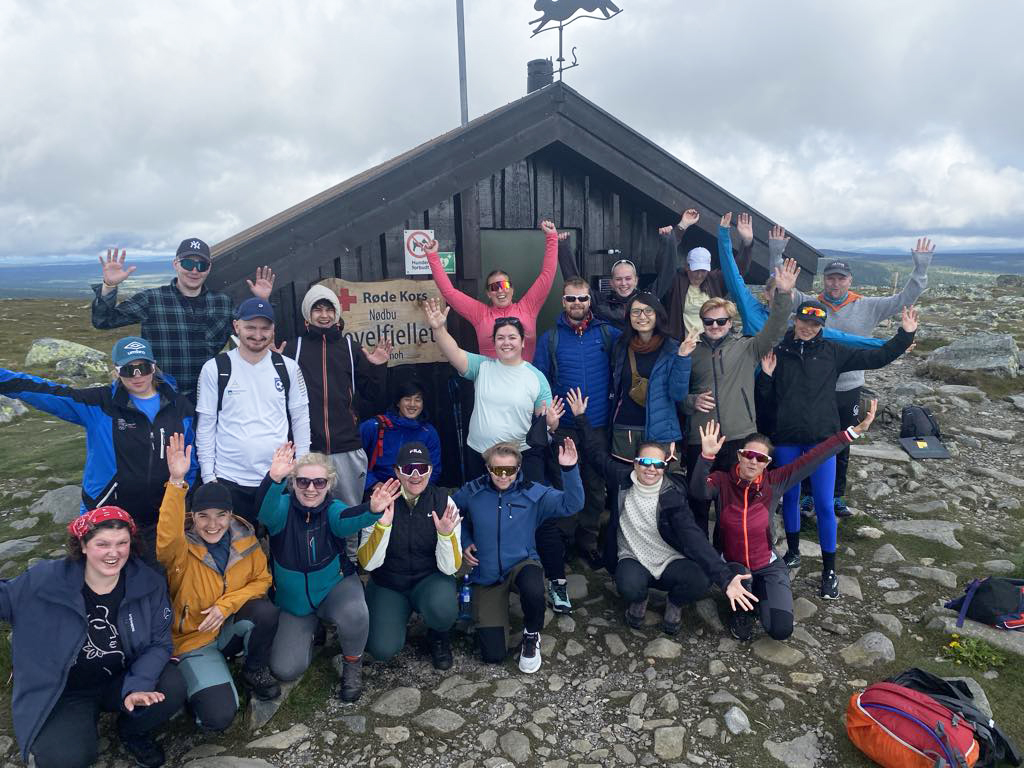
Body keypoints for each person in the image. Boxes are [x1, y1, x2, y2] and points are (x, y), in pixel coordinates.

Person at [0, 506, 186, 768]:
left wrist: (139, 684)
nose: (114, 552)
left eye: (122, 543)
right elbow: (6, 598)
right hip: (66, 690)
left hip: (121, 680)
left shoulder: (148, 583)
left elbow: (159, 643)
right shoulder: (45, 579)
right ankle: (76, 726)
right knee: (65, 759)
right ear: (84, 545)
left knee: (172, 685)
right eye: (103, 544)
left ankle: (132, 731)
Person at [565, 388, 756, 634]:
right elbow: (595, 453)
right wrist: (580, 417)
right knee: (629, 585)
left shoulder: (672, 496)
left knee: (699, 579)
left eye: (658, 464)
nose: (651, 469)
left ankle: (674, 602)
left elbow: (693, 538)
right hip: (632, 557)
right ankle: (639, 599)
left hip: (668, 558)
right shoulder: (621, 478)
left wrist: (726, 578)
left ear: (666, 466)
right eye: (645, 462)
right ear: (635, 463)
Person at [758, 305, 918, 598]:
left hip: (822, 442)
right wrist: (767, 376)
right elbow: (764, 399)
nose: (807, 327)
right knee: (789, 498)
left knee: (824, 504)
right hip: (786, 439)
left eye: (814, 323)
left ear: (822, 325)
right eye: (803, 321)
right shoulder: (778, 351)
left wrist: (905, 335)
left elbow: (877, 357)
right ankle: (793, 552)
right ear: (795, 320)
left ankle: (829, 570)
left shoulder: (833, 351)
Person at [773, 232, 934, 517]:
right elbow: (781, 288)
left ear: (850, 281)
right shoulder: (811, 303)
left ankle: (836, 495)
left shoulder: (868, 306)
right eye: (831, 278)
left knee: (843, 441)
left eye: (841, 278)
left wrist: (920, 267)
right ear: (825, 280)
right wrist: (776, 251)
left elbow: (906, 297)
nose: (835, 283)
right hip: (814, 388)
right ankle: (809, 495)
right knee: (812, 441)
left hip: (849, 387)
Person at [691, 402, 878, 641]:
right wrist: (706, 456)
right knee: (743, 613)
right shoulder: (721, 481)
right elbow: (698, 492)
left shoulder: (775, 482)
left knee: (780, 630)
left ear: (767, 463)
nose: (753, 461)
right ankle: (743, 609)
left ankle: (761, 591)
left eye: (760, 458)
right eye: (748, 455)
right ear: (739, 455)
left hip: (767, 564)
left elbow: (814, 457)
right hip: (733, 564)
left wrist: (853, 432)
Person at [0, 336, 196, 558]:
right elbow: (44, 391)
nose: (138, 375)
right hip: (106, 514)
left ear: (154, 366)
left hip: (161, 516)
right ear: (116, 371)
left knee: (155, 579)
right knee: (102, 579)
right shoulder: (99, 403)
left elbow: (192, 459)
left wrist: (185, 502)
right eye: (128, 370)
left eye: (143, 367)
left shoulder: (181, 406)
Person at [157, 433, 280, 731]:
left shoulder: (246, 540)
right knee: (218, 718)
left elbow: (262, 581)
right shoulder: (180, 550)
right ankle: (196, 684)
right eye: (203, 517)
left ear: (230, 515)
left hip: (227, 628)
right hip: (192, 640)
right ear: (193, 517)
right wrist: (176, 483)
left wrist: (226, 606)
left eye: (221, 516)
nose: (212, 525)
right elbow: (166, 539)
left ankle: (253, 669)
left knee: (265, 612)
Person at [258, 444, 401, 702]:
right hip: (294, 604)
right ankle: (313, 631)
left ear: (329, 485)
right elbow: (263, 512)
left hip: (334, 588)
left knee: (356, 612)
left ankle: (352, 666)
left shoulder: (332, 509)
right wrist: (274, 478)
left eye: (319, 482)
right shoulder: (281, 510)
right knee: (285, 669)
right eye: (303, 482)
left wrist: (372, 509)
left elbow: (350, 518)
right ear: (293, 483)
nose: (311, 489)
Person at [680, 259, 797, 537]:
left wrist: (782, 295)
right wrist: (691, 401)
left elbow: (776, 329)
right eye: (709, 321)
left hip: (739, 437)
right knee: (698, 499)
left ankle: (726, 556)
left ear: (730, 322)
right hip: (702, 438)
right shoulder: (690, 351)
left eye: (721, 321)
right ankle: (700, 559)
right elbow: (675, 393)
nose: (715, 325)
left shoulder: (748, 347)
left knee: (730, 504)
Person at [453, 439, 584, 673]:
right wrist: (465, 540)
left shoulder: (533, 493)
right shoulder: (473, 491)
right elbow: (451, 513)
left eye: (510, 470)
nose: (503, 476)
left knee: (534, 590)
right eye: (497, 470)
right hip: (486, 573)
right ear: (488, 468)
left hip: (522, 563)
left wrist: (569, 469)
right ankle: (491, 611)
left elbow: (572, 504)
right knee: (492, 655)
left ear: (518, 469)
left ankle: (531, 635)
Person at [91, 239, 275, 400]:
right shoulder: (152, 299)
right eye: (188, 263)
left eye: (202, 265)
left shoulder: (222, 303)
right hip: (161, 396)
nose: (194, 270)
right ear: (176, 264)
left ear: (209, 268)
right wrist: (109, 286)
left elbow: (253, 331)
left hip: (208, 396)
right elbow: (103, 321)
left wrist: (261, 301)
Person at [533, 276, 621, 600]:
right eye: (571, 299)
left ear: (590, 301)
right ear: (563, 301)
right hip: (564, 426)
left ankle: (587, 541)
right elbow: (539, 379)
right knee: (564, 485)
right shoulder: (550, 338)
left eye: (583, 299)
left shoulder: (608, 334)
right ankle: (565, 544)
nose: (577, 304)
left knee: (595, 487)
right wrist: (548, 419)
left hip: (597, 425)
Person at [195, 298, 311, 525]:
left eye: (264, 328)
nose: (258, 335)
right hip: (229, 480)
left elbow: (300, 419)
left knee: (280, 548)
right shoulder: (215, 368)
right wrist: (209, 477)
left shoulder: (288, 367)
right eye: (250, 327)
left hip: (278, 478)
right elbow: (206, 425)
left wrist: (302, 466)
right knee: (237, 551)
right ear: (236, 326)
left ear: (273, 330)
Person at [422, 299, 558, 482]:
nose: (506, 342)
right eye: (500, 338)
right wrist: (438, 329)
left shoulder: (536, 377)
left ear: (523, 342)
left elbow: (546, 424)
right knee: (479, 507)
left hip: (519, 456)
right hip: (479, 454)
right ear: (494, 342)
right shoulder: (482, 366)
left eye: (512, 337)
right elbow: (452, 352)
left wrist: (551, 422)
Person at [285, 284, 390, 509]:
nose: (324, 315)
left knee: (347, 512)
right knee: (307, 510)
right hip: (307, 448)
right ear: (308, 314)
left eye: (329, 309)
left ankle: (349, 547)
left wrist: (379, 367)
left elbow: (374, 397)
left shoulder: (351, 349)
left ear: (337, 314)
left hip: (347, 449)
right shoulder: (294, 348)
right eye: (318, 309)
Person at [357, 442, 461, 669]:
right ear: (397, 471)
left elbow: (451, 567)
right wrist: (382, 527)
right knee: (382, 649)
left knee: (443, 611)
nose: (415, 475)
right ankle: (395, 619)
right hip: (389, 582)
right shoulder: (379, 502)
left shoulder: (444, 501)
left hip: (429, 578)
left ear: (431, 471)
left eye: (422, 469)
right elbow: (367, 563)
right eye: (408, 469)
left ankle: (438, 635)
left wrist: (445, 535)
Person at [424, 221, 558, 358]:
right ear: (488, 294)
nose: (500, 291)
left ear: (512, 289)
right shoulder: (480, 314)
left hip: (523, 377)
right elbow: (449, 292)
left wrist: (552, 237)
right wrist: (432, 255)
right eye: (494, 287)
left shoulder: (528, 307)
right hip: (491, 377)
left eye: (504, 285)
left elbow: (547, 275)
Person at [608, 292, 697, 461]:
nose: (642, 316)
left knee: (657, 483)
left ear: (658, 314)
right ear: (629, 317)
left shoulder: (672, 349)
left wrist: (683, 357)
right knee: (622, 482)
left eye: (648, 311)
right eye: (636, 312)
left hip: (661, 430)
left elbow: (677, 394)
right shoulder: (621, 346)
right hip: (625, 427)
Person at [654, 209, 753, 340]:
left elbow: (737, 271)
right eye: (695, 270)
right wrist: (681, 227)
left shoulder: (715, 280)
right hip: (681, 344)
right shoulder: (676, 280)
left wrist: (747, 243)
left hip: (710, 346)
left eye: (703, 270)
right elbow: (664, 263)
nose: (700, 275)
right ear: (687, 267)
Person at [556, 230, 677, 329]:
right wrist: (563, 247)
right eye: (618, 279)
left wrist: (667, 241)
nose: (623, 283)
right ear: (611, 283)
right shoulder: (600, 302)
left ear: (636, 281)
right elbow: (575, 285)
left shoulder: (648, 297)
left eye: (628, 278)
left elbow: (667, 274)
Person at [360, 378, 443, 492]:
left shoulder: (429, 432)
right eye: (407, 399)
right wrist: (372, 483)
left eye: (417, 400)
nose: (412, 404)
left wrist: (414, 491)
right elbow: (355, 463)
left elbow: (434, 470)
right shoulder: (374, 426)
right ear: (398, 403)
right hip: (378, 491)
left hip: (413, 492)